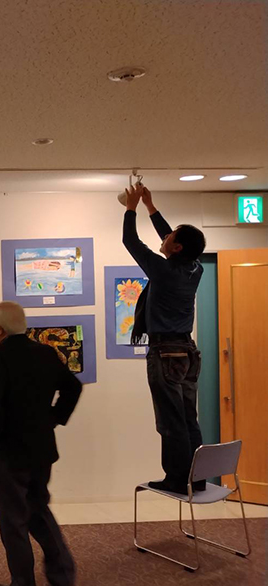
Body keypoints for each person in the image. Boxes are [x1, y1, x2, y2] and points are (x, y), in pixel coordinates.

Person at [0, 301, 82, 586]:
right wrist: (54, 418)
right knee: (38, 509)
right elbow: (73, 387)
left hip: (10, 451)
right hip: (41, 447)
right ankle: (62, 574)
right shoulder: (45, 352)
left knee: (13, 520)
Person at [122, 184, 207, 494]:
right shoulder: (195, 268)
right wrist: (150, 207)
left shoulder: (163, 271)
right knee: (188, 418)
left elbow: (130, 240)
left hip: (166, 352)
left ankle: (176, 479)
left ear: (177, 247)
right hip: (187, 352)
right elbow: (171, 239)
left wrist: (131, 208)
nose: (165, 237)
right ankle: (196, 478)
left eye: (171, 237)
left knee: (170, 421)